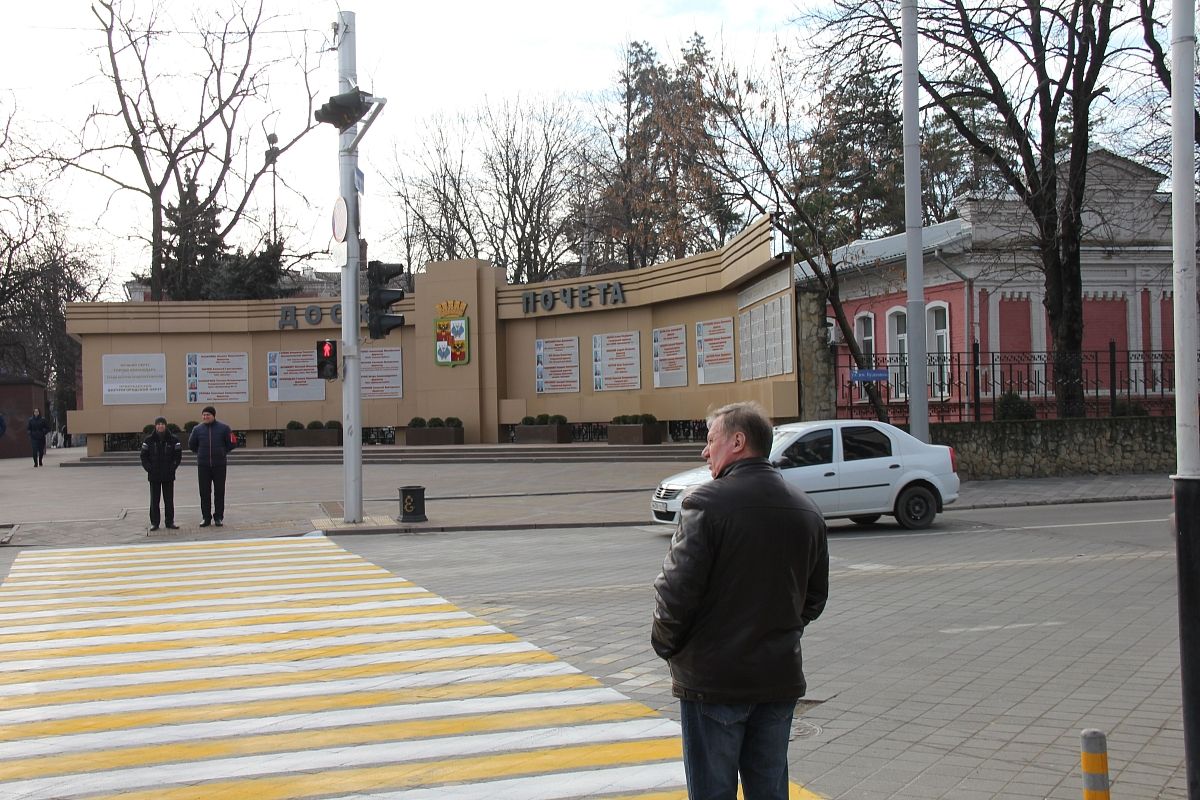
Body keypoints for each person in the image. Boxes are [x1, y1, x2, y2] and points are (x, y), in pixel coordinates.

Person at [651, 401, 829, 799]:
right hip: (778, 679)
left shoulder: (705, 503)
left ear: (737, 441)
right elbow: (814, 598)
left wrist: (669, 648)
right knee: (769, 790)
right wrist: (776, 632)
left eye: (710, 439)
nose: (704, 450)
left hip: (713, 682)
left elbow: (674, 592)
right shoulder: (806, 508)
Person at [188, 405, 236, 527]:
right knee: (204, 492)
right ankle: (206, 517)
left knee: (219, 492)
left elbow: (232, 442)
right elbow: (192, 445)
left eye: (208, 415)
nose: (205, 417)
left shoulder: (224, 428)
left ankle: (218, 517)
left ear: (213, 415)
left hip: (219, 465)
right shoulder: (197, 429)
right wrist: (201, 453)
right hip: (203, 466)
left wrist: (222, 451)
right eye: (204, 415)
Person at [140, 416, 182, 531]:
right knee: (154, 500)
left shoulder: (174, 440)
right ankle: (155, 523)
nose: (160, 426)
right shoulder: (148, 440)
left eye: (162, 424)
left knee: (169, 500)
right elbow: (143, 457)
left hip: (168, 475)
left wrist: (172, 467)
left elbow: (177, 457)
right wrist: (149, 468)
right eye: (158, 424)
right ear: (155, 426)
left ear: (165, 425)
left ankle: (170, 522)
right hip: (154, 476)